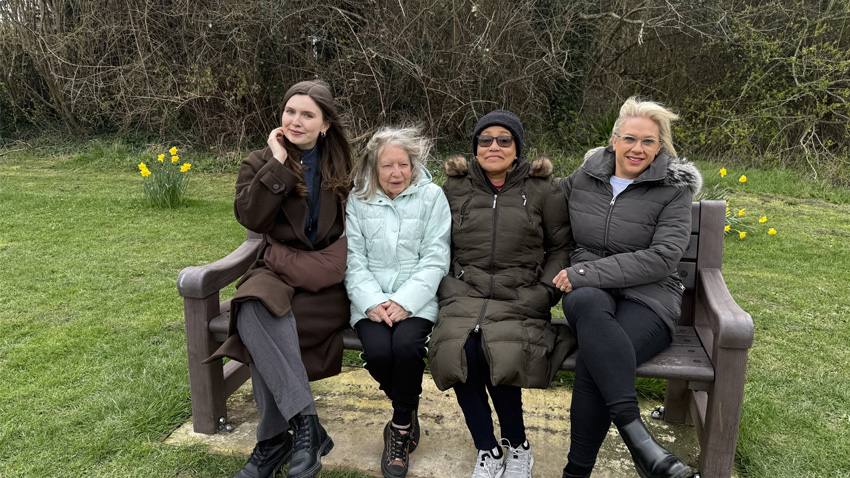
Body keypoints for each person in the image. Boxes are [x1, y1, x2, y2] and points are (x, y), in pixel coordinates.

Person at [206, 80, 354, 478]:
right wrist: (278, 163)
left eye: (308, 115)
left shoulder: (343, 167)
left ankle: (272, 441)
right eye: (291, 112)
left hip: (326, 278)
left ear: (325, 125)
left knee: (263, 334)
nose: (296, 121)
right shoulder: (259, 162)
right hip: (275, 268)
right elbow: (251, 218)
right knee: (253, 306)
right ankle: (307, 424)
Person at [553, 97, 702, 478]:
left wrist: (585, 273)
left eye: (649, 142)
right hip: (590, 295)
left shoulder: (673, 189)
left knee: (593, 358)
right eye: (630, 139)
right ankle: (641, 441)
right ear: (614, 139)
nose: (638, 149)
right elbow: (543, 198)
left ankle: (577, 472)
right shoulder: (586, 175)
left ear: (660, 146)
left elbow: (664, 257)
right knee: (587, 307)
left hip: (649, 295)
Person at [427, 110, 575, 478]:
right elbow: (436, 242)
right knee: (458, 352)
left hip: (520, 295)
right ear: (475, 147)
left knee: (497, 352)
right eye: (485, 139)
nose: (494, 146)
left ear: (517, 148)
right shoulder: (454, 188)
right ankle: (487, 449)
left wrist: (544, 291)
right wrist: (447, 284)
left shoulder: (543, 190)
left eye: (504, 140)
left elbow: (560, 248)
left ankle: (518, 444)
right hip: (465, 291)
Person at [344, 126, 451, 478]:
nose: (396, 173)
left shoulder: (432, 196)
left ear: (413, 164)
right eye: (387, 166)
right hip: (369, 299)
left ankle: (401, 427)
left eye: (403, 164)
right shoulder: (359, 199)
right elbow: (352, 258)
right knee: (377, 353)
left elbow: (436, 257)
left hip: (416, 300)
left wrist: (405, 301)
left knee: (406, 348)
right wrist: (372, 302)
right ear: (374, 168)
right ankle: (408, 404)